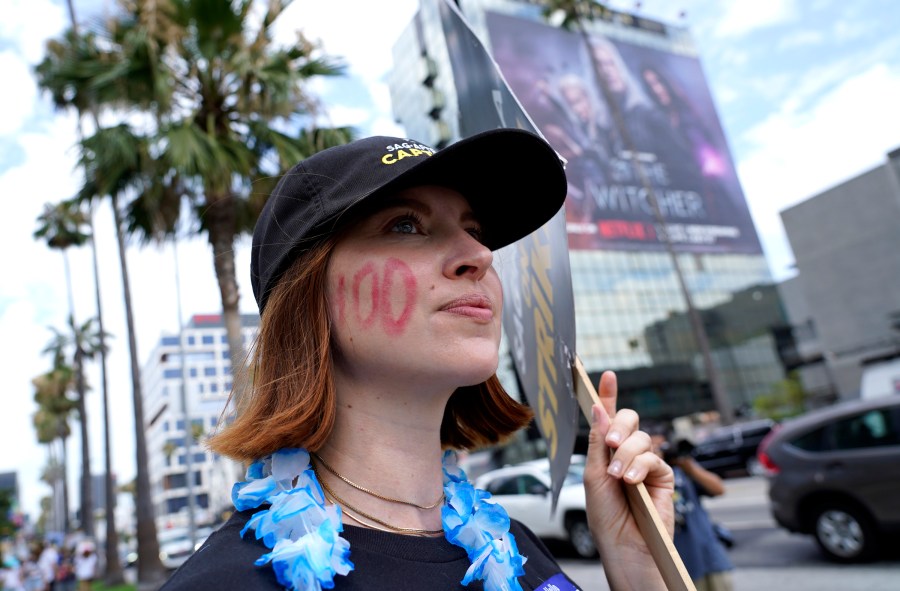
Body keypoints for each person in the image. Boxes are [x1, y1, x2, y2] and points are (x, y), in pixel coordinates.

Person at [160, 128, 675, 591]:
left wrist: (640, 573)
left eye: (474, 229)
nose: (481, 254)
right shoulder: (226, 583)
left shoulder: (517, 551)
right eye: (406, 225)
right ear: (308, 293)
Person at [650, 425, 734, 591]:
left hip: (710, 558)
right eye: (653, 448)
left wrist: (689, 466)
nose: (658, 452)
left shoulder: (682, 469)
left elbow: (718, 489)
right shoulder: (645, 478)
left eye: (662, 447)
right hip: (679, 566)